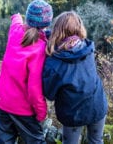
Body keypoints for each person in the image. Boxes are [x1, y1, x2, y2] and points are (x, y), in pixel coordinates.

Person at [42, 11, 108, 144]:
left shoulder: (55, 62)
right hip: (97, 105)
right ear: (79, 28)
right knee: (96, 141)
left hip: (72, 113)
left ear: (57, 30)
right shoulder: (87, 49)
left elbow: (49, 93)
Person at [0, 0, 53, 144]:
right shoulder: (40, 48)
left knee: (5, 141)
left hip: (2, 101)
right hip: (22, 108)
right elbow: (34, 87)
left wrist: (16, 16)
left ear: (28, 18)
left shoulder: (14, 32)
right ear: (46, 24)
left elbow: (16, 21)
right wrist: (41, 112)